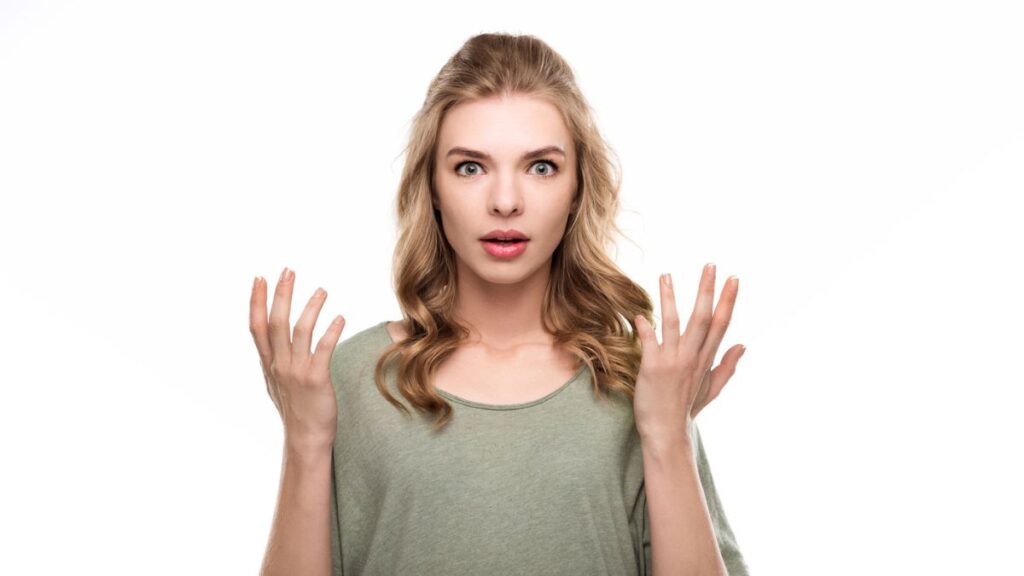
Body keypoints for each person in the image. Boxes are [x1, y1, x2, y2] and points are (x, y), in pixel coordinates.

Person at [250, 32, 750, 576]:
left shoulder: (642, 381)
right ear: (433, 188)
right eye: (470, 166)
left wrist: (669, 435)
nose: (505, 201)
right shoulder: (349, 380)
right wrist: (303, 442)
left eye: (541, 167)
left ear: (578, 187)